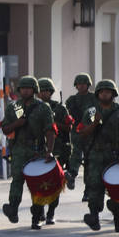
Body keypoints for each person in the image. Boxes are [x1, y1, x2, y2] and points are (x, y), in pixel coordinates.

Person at [0, 75, 56, 230]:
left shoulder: (43, 108)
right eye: (23, 88)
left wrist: (49, 151)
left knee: (37, 184)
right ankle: (13, 209)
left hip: (37, 150)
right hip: (18, 150)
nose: (25, 91)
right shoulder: (14, 107)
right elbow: (5, 129)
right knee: (17, 180)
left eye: (28, 88)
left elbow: (50, 131)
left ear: (34, 90)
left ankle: (36, 217)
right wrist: (17, 123)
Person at [76, 79, 119, 231]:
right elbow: (82, 133)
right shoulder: (91, 112)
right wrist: (94, 123)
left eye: (108, 92)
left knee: (117, 188)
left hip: (115, 156)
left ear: (113, 94)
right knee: (94, 187)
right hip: (96, 155)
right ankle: (94, 216)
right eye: (102, 92)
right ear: (98, 94)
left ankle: (118, 220)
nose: (105, 94)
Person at [37, 78, 71, 225]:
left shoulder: (60, 108)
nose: (44, 93)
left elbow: (69, 128)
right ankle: (39, 211)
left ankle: (51, 212)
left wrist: (53, 123)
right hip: (38, 150)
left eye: (46, 91)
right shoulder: (33, 108)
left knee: (55, 184)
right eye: (41, 91)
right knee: (39, 182)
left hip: (57, 150)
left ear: (50, 92)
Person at [65, 73, 95, 192]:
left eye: (83, 84)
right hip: (77, 131)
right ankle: (72, 173)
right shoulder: (72, 100)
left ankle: (88, 189)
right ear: (76, 86)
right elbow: (67, 115)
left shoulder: (94, 98)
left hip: (90, 132)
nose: (81, 86)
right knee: (76, 153)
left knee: (89, 159)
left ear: (88, 85)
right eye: (79, 84)